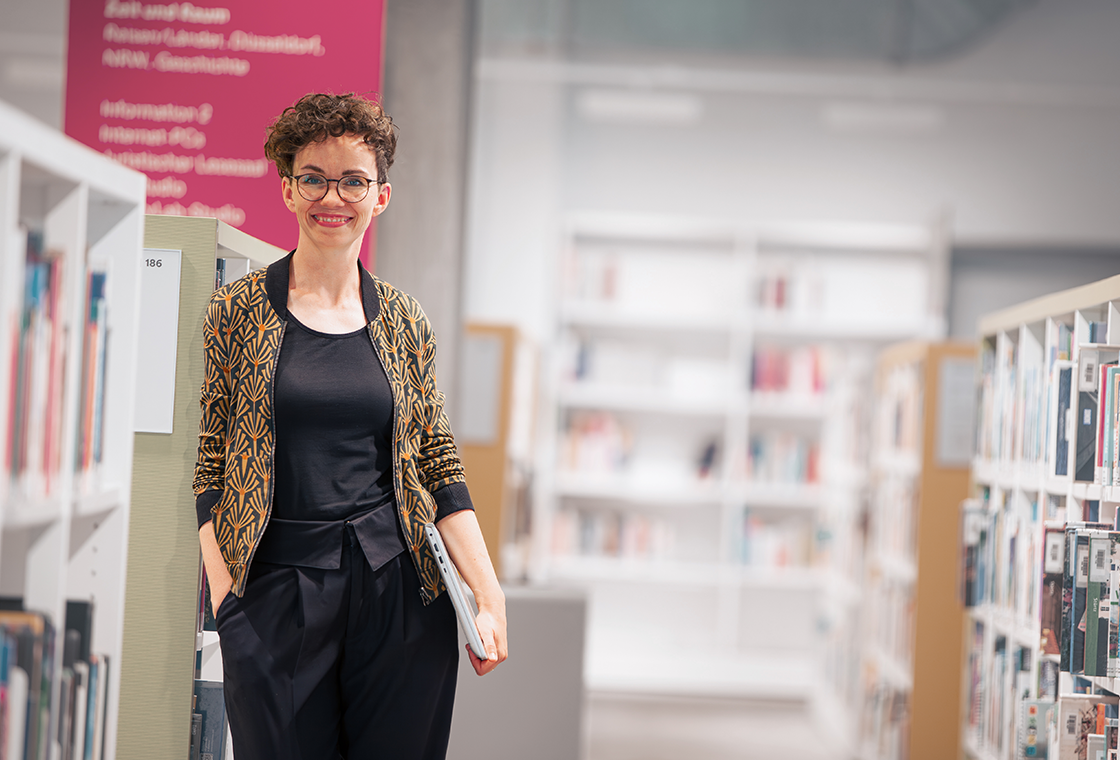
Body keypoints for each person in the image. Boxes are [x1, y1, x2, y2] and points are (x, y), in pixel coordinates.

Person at [191, 91, 507, 760]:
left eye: (353, 180)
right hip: (275, 591)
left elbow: (439, 465)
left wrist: (487, 591)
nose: (331, 197)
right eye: (313, 177)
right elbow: (211, 462)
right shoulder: (237, 312)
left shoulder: (404, 320)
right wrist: (228, 603)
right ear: (287, 188)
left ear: (380, 196)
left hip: (397, 592)